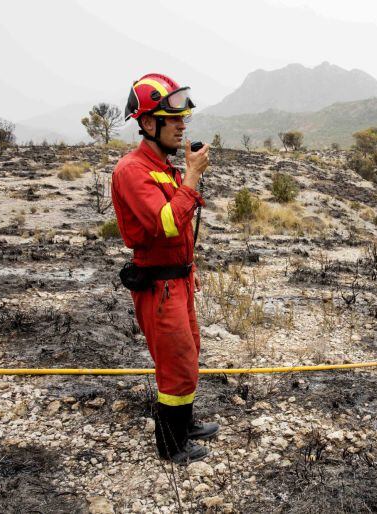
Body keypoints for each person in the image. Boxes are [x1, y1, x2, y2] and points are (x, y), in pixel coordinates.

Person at [111, 73, 218, 464]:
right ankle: (172, 446)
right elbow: (164, 224)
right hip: (159, 289)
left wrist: (189, 268)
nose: (182, 125)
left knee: (188, 357)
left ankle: (184, 425)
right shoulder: (132, 171)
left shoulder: (164, 169)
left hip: (179, 281)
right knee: (175, 364)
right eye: (173, 119)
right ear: (148, 123)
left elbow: (178, 232)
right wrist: (192, 177)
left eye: (183, 118)